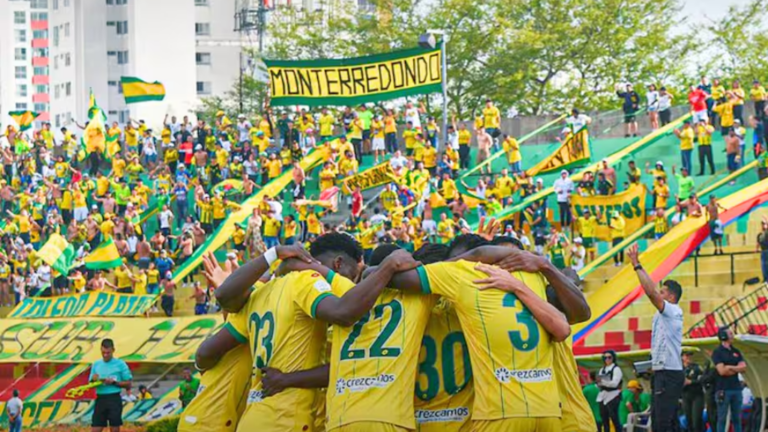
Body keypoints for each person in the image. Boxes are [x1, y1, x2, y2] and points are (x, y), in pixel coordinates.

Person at [627, 243, 684, 432]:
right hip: (662, 371)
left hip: (669, 373)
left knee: (662, 423)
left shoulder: (673, 311)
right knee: (667, 421)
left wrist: (637, 265)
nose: (660, 294)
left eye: (664, 292)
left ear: (672, 297)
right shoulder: (660, 316)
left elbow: (651, 292)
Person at [90, 338, 132, 432]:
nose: (105, 355)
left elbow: (128, 384)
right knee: (96, 427)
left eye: (108, 352)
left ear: (113, 350)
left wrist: (114, 382)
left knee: (114, 427)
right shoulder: (96, 364)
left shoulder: (120, 364)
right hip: (100, 398)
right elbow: (90, 383)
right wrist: (94, 380)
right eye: (103, 352)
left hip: (114, 398)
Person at [713, 327, 747, 432]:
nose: (732, 336)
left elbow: (744, 368)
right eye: (730, 334)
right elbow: (722, 371)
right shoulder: (717, 352)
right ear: (723, 336)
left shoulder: (736, 351)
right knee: (722, 418)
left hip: (736, 388)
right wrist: (736, 368)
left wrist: (730, 367)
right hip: (723, 389)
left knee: (737, 418)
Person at [596, 350, 623, 432]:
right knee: (604, 418)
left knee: (614, 417)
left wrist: (604, 383)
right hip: (603, 395)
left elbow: (615, 383)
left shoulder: (616, 369)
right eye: (605, 357)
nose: (607, 359)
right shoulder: (602, 369)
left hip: (613, 394)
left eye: (609, 357)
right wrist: (599, 384)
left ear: (613, 358)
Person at [682, 351, 705, 432]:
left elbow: (703, 379)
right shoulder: (679, 369)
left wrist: (691, 382)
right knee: (689, 420)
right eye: (686, 355)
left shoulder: (696, 367)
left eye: (690, 355)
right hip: (685, 396)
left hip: (697, 395)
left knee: (697, 420)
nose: (689, 357)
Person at [757, 218, 768, 282]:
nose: (763, 225)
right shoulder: (760, 234)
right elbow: (758, 242)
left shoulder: (766, 232)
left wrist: (766, 220)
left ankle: (766, 279)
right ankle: (765, 279)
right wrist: (756, 249)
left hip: (766, 250)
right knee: (764, 265)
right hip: (763, 251)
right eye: (762, 224)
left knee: (765, 265)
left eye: (764, 224)